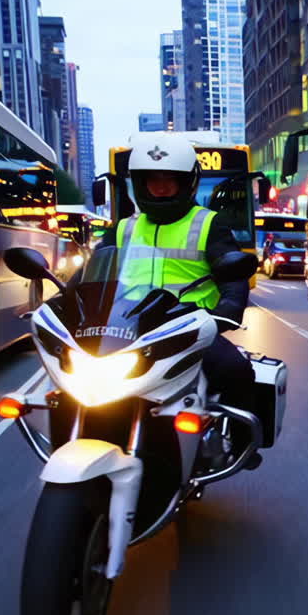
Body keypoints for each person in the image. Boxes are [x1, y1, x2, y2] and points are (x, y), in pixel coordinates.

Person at [100, 132, 260, 468]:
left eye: (169, 180)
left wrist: (227, 312)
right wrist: (59, 302)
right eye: (152, 180)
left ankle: (243, 444)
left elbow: (233, 274)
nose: (160, 187)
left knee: (237, 369)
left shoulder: (207, 223)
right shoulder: (121, 229)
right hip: (127, 326)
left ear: (186, 183)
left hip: (190, 327)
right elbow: (91, 272)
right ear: (139, 184)